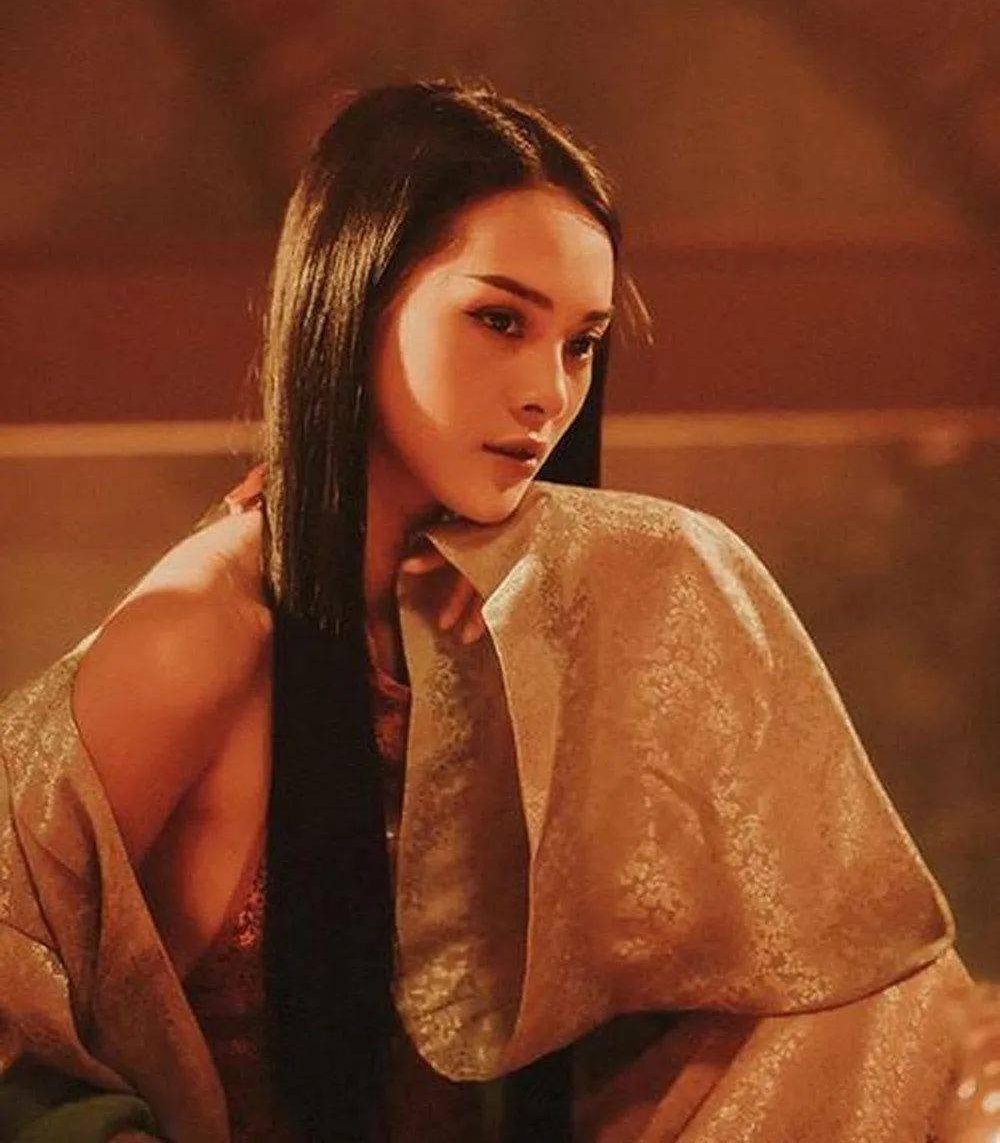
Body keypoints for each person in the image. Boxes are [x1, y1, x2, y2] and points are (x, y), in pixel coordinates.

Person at [0, 80, 976, 1142]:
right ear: (353, 302)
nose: (547, 392)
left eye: (580, 342)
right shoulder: (198, 636)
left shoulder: (533, 603)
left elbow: (829, 953)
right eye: (498, 320)